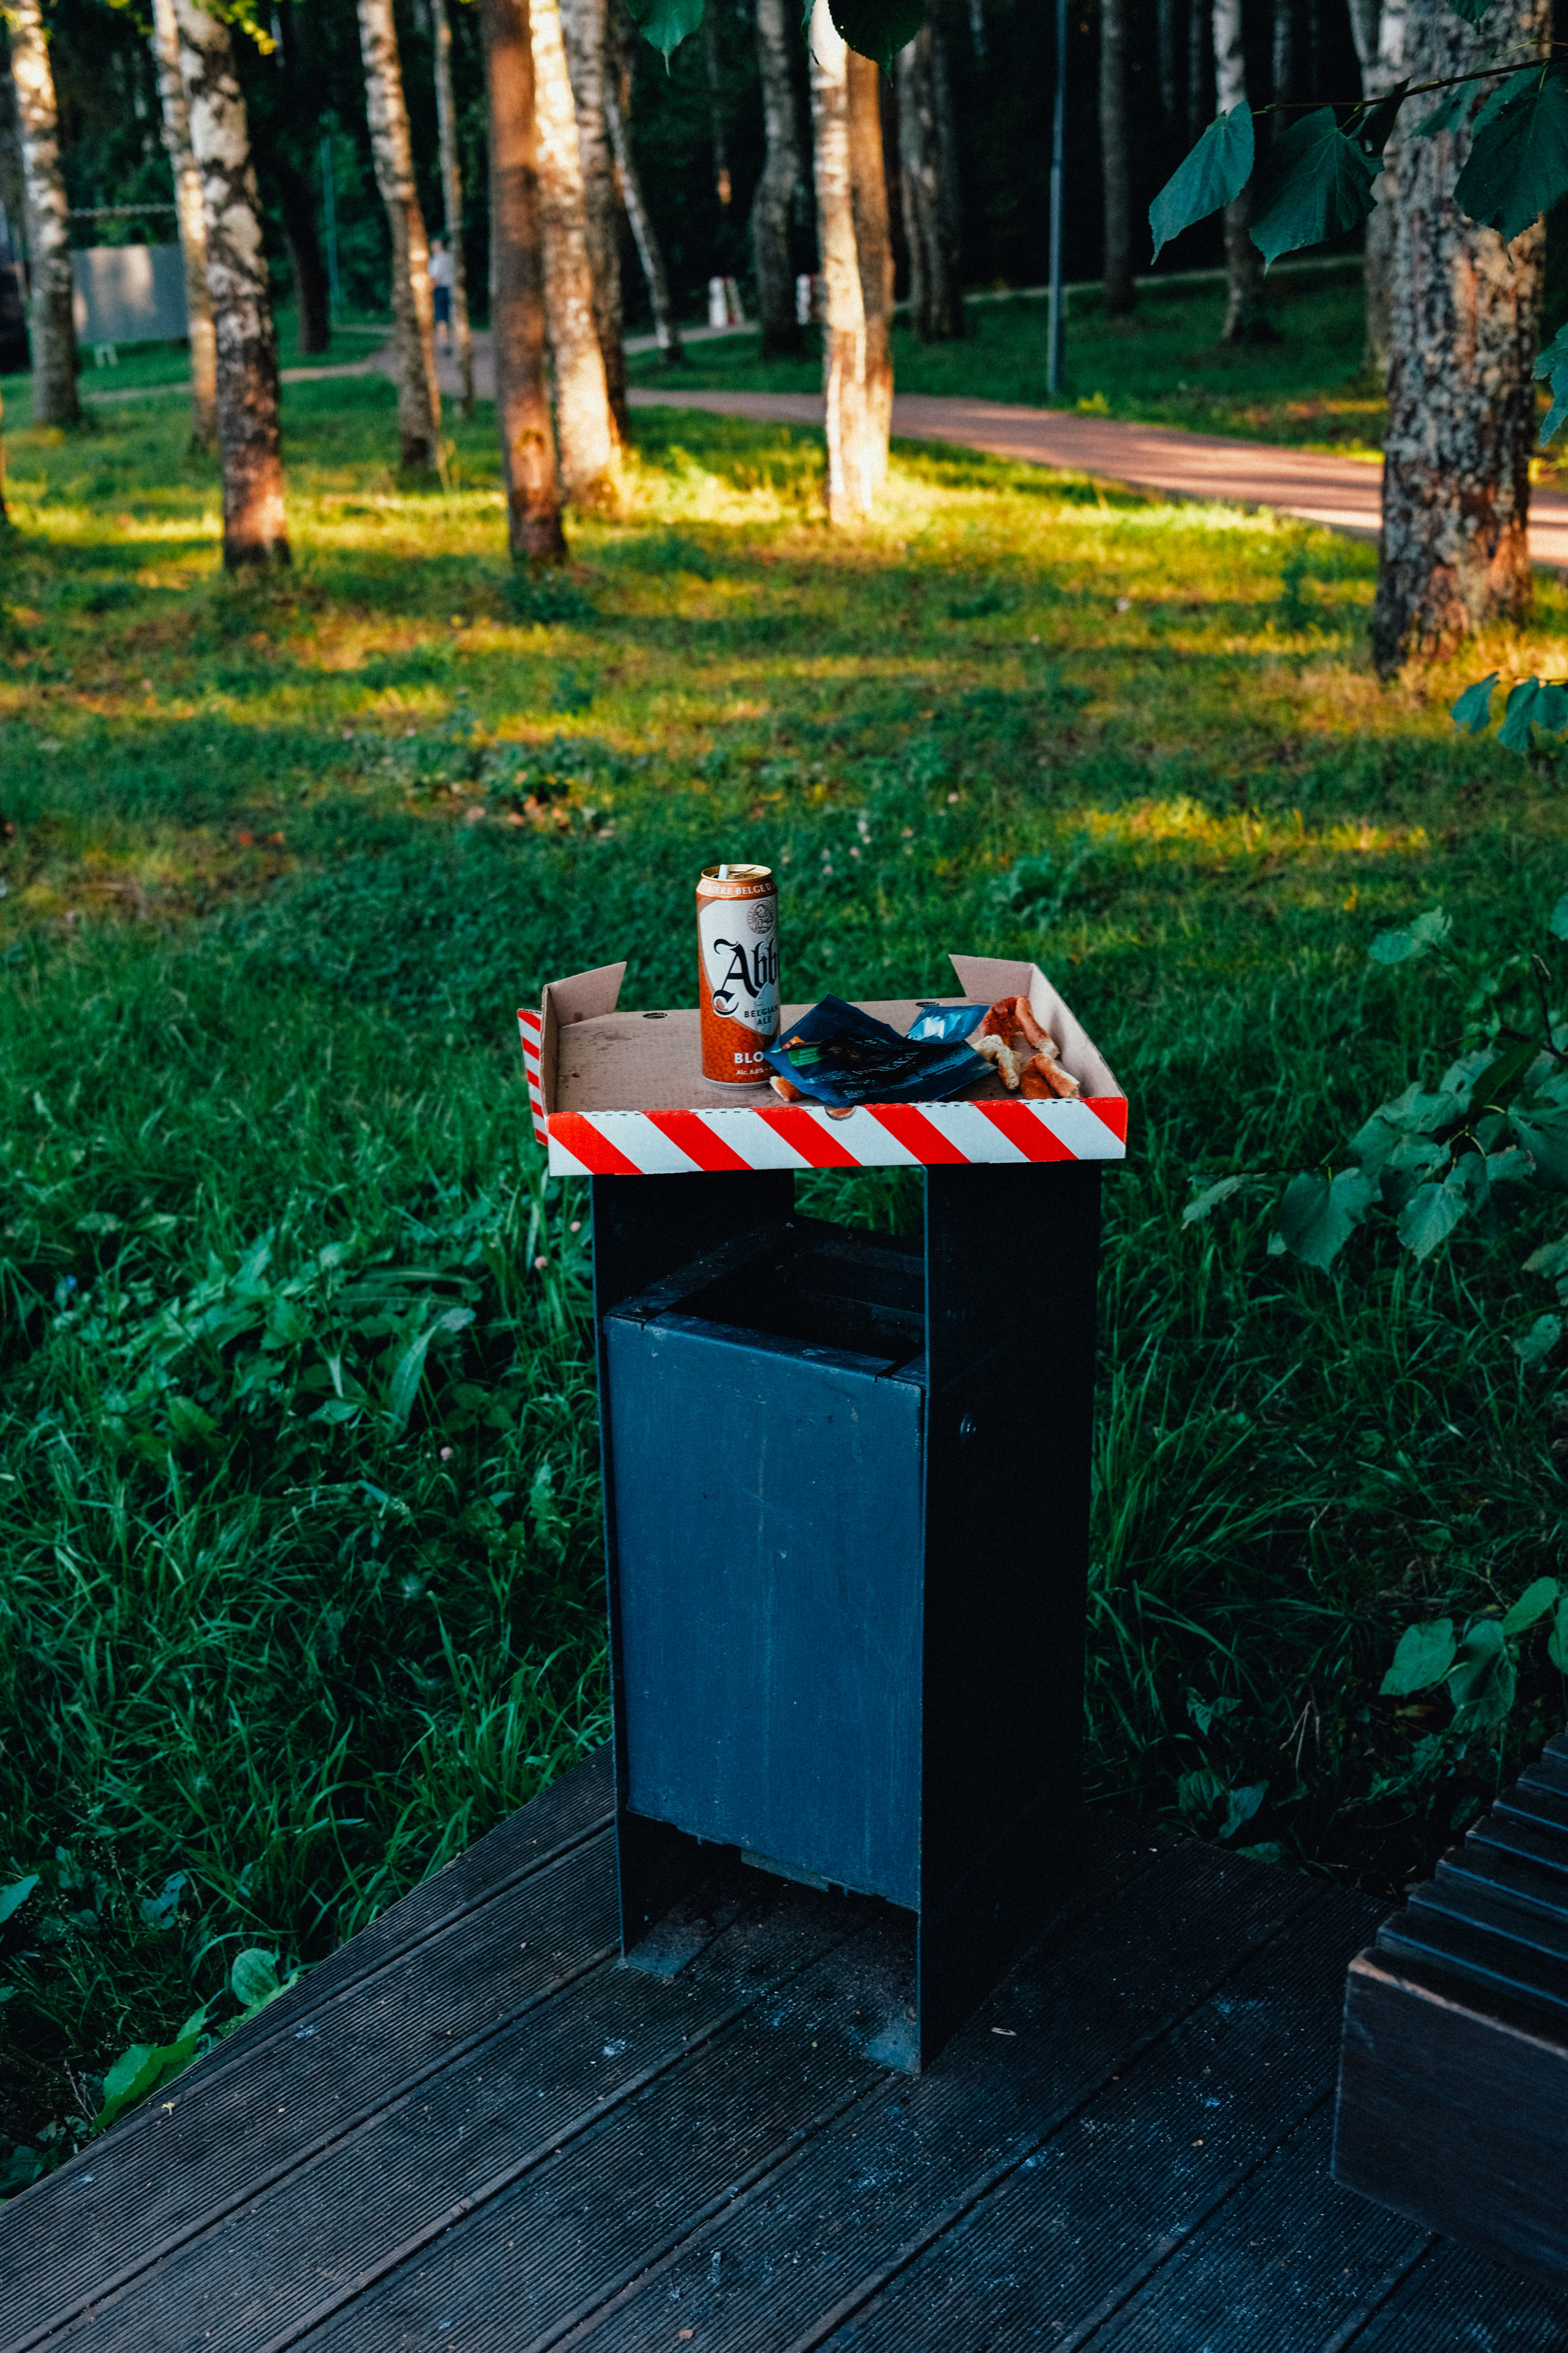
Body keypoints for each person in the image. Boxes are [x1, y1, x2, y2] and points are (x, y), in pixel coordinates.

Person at [428, 235, 454, 355]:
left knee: (441, 318)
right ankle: (455, 343)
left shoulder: (438, 260)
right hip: (451, 289)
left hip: (440, 290)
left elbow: (435, 279)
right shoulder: (450, 258)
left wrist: (428, 292)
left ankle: (445, 344)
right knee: (451, 316)